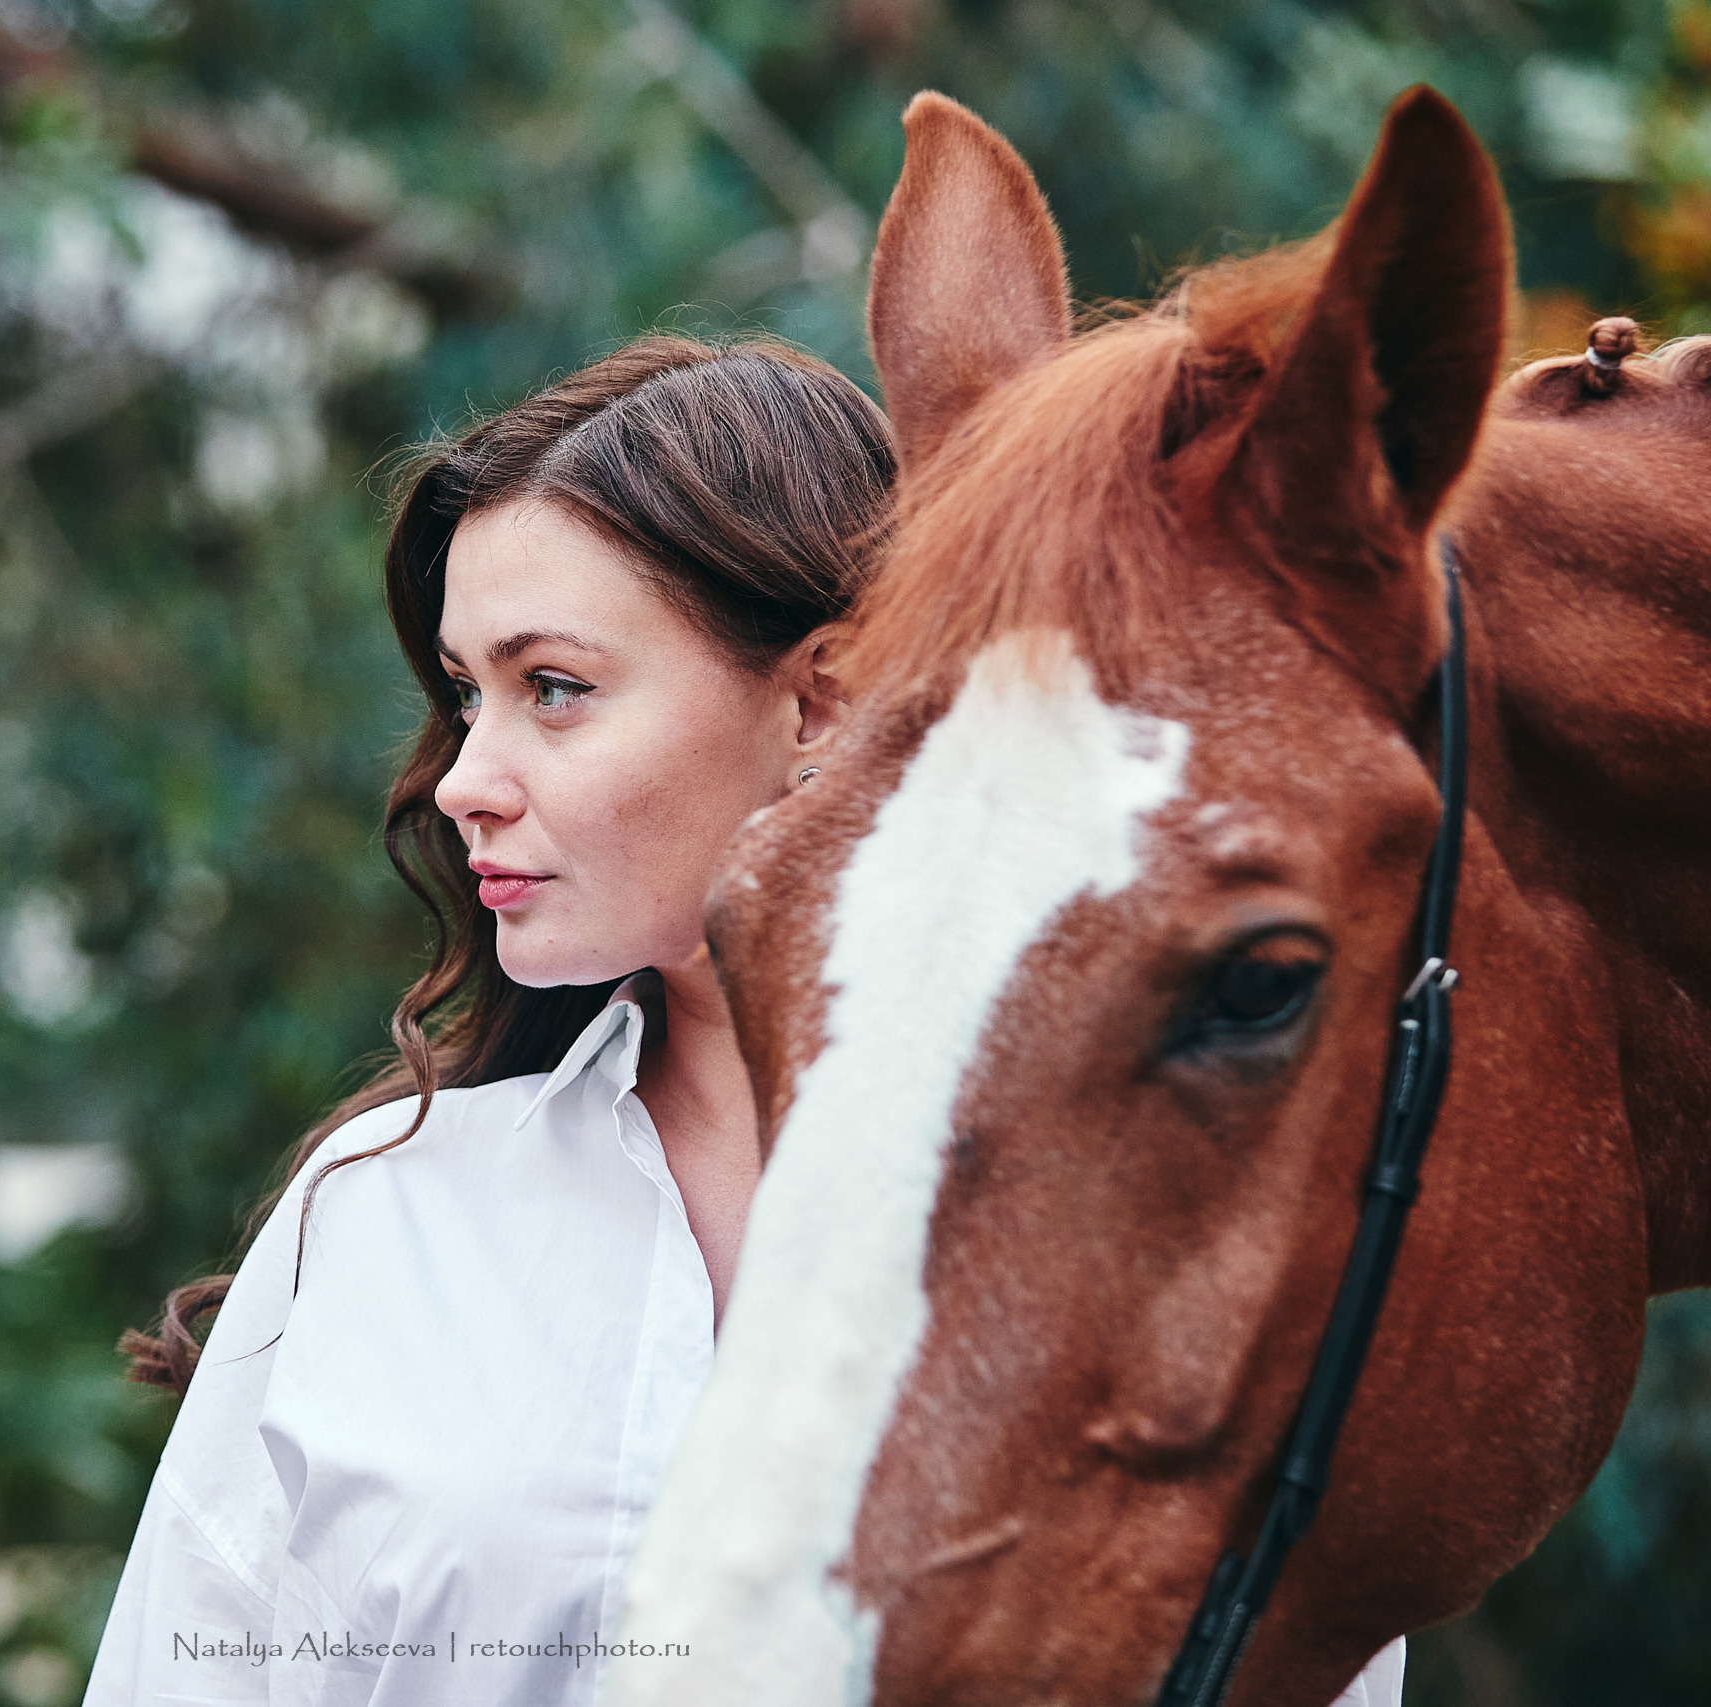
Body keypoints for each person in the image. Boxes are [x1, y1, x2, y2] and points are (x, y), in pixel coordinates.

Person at [80, 333, 1405, 1707]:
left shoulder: (1168, 1214)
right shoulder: (386, 1216)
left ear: (820, 702)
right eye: (468, 695)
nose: (464, 779)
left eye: (554, 689)